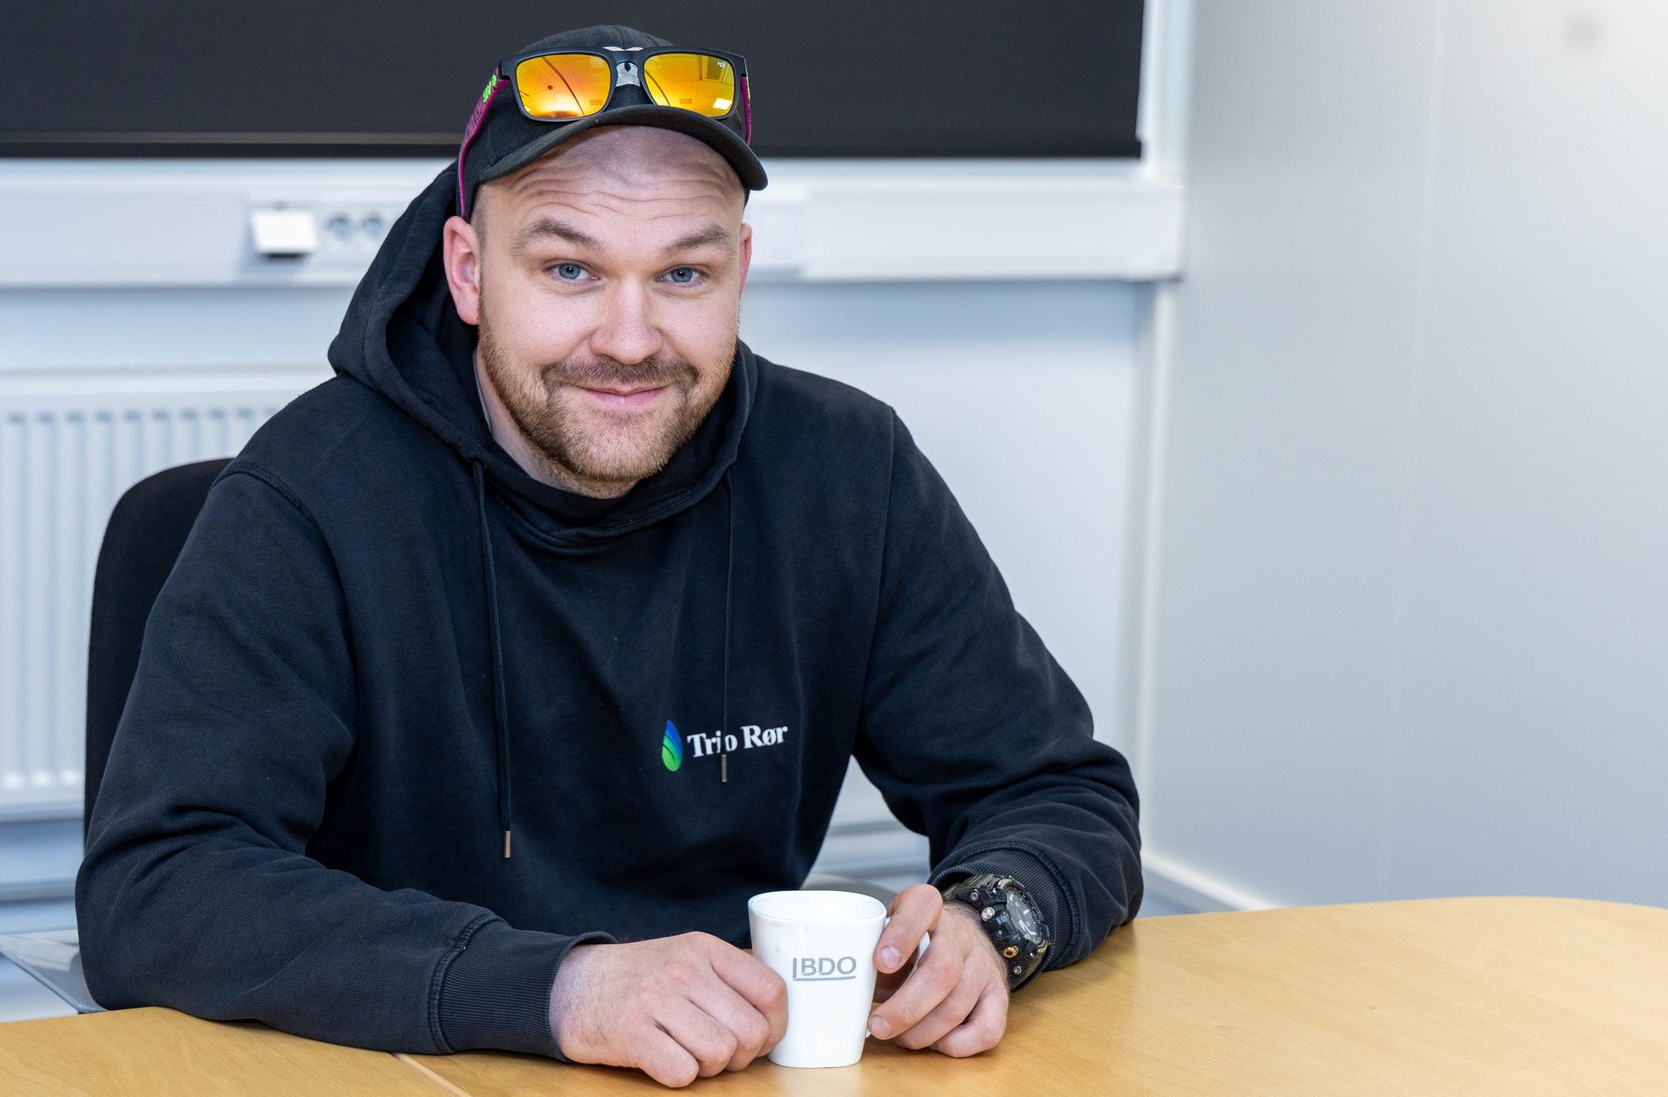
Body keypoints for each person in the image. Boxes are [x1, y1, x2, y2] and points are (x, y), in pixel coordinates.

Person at [76, 22, 1142, 1089]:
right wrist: (561, 987)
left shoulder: (848, 475)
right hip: (398, 1066)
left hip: (728, 1069)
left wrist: (993, 917)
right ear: (467, 271)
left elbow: (1059, 790)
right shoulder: (309, 497)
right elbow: (161, 884)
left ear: (741, 270)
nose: (630, 338)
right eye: (570, 266)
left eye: (683, 272)